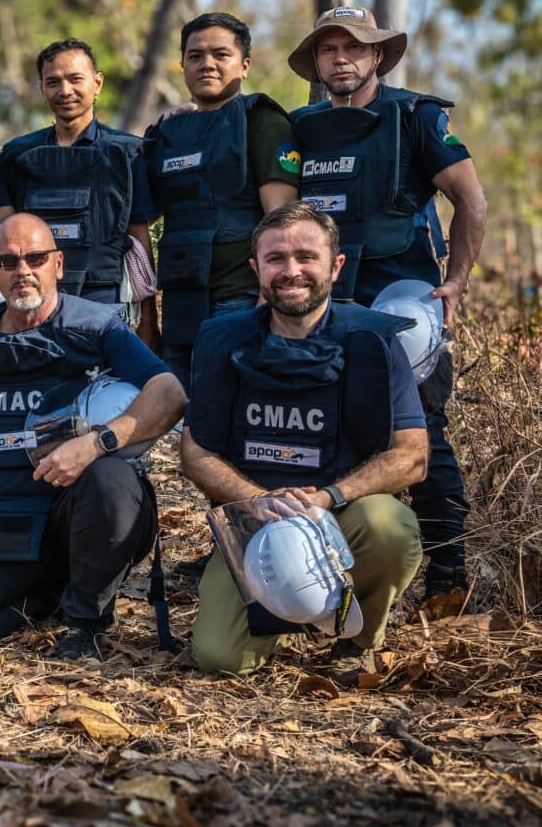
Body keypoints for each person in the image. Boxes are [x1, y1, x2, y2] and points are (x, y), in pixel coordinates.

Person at [0, 213, 185, 662]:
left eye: (36, 258)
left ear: (57, 264)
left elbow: (170, 393)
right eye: (8, 261)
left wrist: (97, 442)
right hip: (5, 524)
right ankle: (48, 597)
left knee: (112, 479)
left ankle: (86, 621)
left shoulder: (99, 327)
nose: (23, 270)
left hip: (78, 514)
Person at [286, 5, 488, 597]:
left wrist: (456, 282)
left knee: (420, 425)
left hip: (402, 299)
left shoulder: (416, 117)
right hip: (322, 302)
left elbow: (471, 202)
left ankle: (449, 570)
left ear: (377, 56)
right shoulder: (300, 129)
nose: (340, 58)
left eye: (353, 47)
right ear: (317, 63)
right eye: (328, 50)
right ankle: (325, 569)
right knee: (319, 426)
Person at [180, 202, 430, 677]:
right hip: (254, 526)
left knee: (390, 527)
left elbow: (413, 457)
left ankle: (356, 637)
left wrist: (328, 497)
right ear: (255, 269)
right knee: (219, 659)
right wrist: (257, 499)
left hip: (342, 516)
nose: (291, 271)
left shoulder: (374, 341)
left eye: (306, 257)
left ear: (336, 267)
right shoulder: (219, 339)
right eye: (275, 259)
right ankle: (286, 617)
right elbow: (194, 452)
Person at [139, 13, 297, 391]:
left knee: (236, 413)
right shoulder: (165, 132)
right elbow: (141, 219)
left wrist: (268, 300)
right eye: (195, 56)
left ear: (244, 65)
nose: (206, 63)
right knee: (181, 420)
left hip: (242, 300)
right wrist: (149, 318)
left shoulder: (262, 121)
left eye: (220, 54)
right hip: (179, 304)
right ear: (182, 66)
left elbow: (284, 220)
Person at [0, 38, 153, 322]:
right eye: (53, 82)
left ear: (98, 83)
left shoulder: (127, 153)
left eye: (75, 79)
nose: (65, 90)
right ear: (42, 88)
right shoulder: (16, 156)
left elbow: (140, 240)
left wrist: (149, 319)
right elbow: (3, 232)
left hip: (104, 300)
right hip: (35, 301)